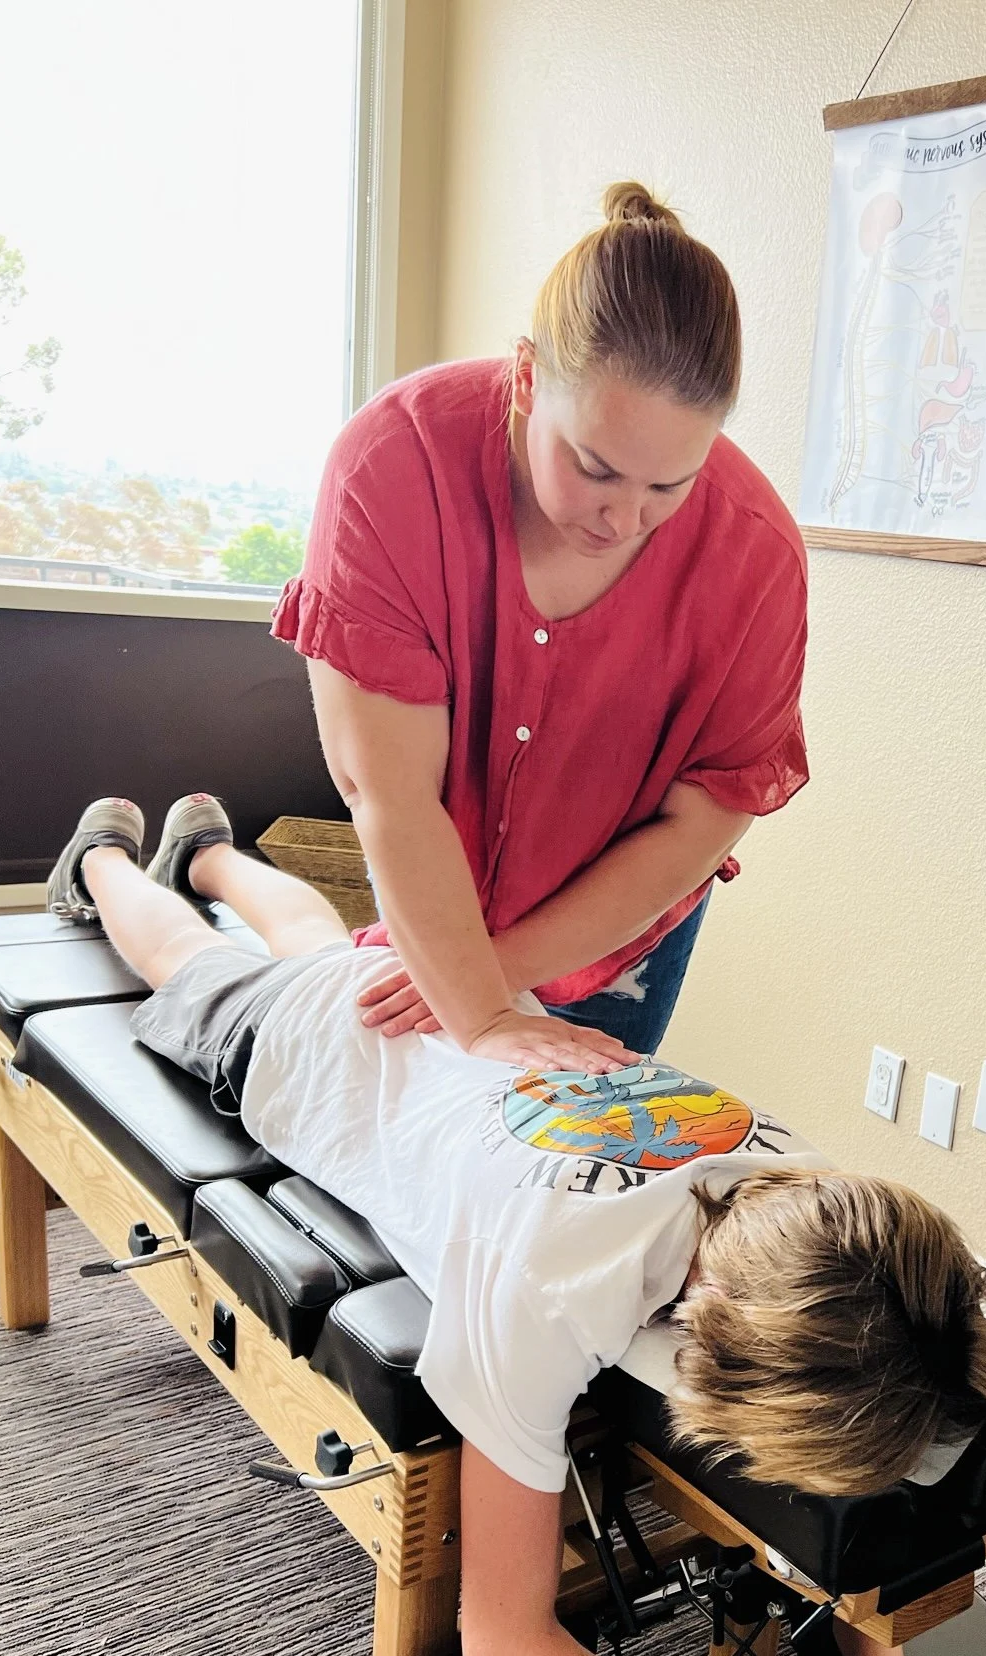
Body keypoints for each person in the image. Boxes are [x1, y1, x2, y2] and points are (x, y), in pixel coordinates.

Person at [47, 794, 986, 1656]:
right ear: (706, 1339)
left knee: (322, 944)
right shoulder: (543, 1281)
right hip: (303, 1053)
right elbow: (505, 1653)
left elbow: (894, 1411)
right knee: (191, 960)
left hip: (443, 1027)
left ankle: (211, 850)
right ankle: (106, 862)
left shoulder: (823, 1205)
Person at [273, 181, 809, 1076]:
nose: (625, 519)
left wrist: (495, 979)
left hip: (616, 938)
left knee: (568, 1143)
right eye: (595, 469)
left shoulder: (757, 556)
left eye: (668, 486)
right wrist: (481, 1011)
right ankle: (197, 858)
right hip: (430, 879)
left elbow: (703, 822)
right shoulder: (394, 464)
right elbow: (390, 792)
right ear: (526, 377)